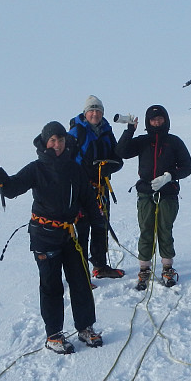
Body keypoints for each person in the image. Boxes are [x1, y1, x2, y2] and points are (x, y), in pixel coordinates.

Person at [0, 121, 105, 354]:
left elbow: (88, 199)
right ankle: (53, 334)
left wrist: (98, 221)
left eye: (61, 140)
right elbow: (12, 189)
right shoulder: (36, 168)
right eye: (53, 140)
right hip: (44, 236)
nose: (58, 144)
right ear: (45, 142)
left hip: (69, 234)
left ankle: (85, 327)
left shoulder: (74, 168)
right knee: (51, 286)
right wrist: (0, 181)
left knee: (81, 282)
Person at [115, 104, 191, 290]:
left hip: (167, 195)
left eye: (160, 119)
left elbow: (187, 167)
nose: (157, 122)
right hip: (145, 193)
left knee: (165, 230)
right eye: (153, 119)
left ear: (166, 120)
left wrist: (170, 176)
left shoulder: (174, 142)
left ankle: (167, 268)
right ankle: (144, 269)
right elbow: (121, 152)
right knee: (146, 231)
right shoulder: (143, 141)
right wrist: (129, 130)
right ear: (147, 121)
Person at [67, 96, 125, 280]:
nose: (95, 113)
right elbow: (66, 162)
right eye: (91, 110)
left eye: (98, 110)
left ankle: (100, 266)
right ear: (86, 113)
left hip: (101, 189)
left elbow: (118, 157)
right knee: (82, 230)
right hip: (82, 190)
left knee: (100, 226)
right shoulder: (76, 132)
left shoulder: (107, 131)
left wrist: (110, 166)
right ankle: (80, 273)